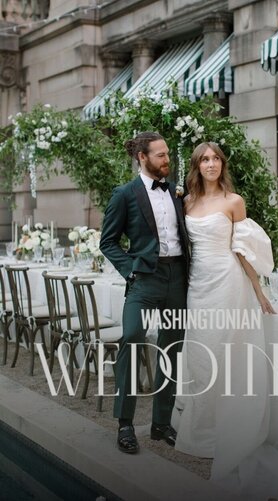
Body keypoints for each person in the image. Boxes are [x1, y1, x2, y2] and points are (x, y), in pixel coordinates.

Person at [173, 142, 278, 499]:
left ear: (221, 164)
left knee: (227, 355)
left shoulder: (234, 201)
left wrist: (258, 291)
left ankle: (232, 433)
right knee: (201, 356)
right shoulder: (185, 202)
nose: (211, 164)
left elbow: (243, 250)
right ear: (197, 166)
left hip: (228, 283)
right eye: (205, 159)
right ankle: (203, 434)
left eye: (215, 159)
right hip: (198, 286)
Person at [100, 131, 189, 454]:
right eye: (161, 155)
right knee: (133, 337)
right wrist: (130, 268)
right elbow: (107, 241)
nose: (168, 160)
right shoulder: (124, 194)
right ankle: (125, 423)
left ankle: (160, 423)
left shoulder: (177, 191)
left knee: (172, 347)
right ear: (143, 157)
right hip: (144, 279)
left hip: (177, 275)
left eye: (168, 154)